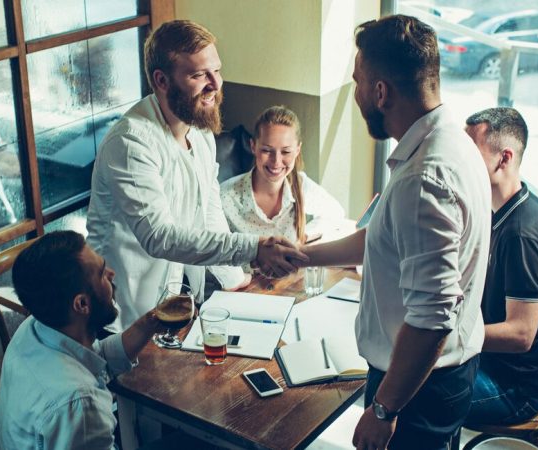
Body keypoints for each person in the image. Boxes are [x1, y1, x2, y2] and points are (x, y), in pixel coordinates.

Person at [296, 15, 491, 449]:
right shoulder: (453, 142)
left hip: (416, 388)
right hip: (441, 374)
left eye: (358, 83)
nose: (356, 94)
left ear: (381, 92)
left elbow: (432, 318)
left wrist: (384, 409)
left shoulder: (424, 179)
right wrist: (303, 255)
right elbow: (384, 238)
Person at [86, 20, 307, 331]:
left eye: (217, 70)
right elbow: (159, 237)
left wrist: (233, 278)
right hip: (119, 311)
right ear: (162, 81)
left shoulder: (200, 133)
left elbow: (208, 212)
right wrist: (254, 248)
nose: (216, 84)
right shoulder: (130, 143)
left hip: (171, 303)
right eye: (199, 75)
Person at [0, 231, 162, 450]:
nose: (111, 274)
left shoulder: (33, 328)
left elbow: (93, 360)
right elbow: (78, 387)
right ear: (82, 304)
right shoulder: (79, 405)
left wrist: (149, 323)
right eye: (102, 273)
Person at [463, 107, 538, 426]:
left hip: (517, 389)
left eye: (471, 153)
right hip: (496, 365)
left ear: (504, 159)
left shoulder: (522, 234)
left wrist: (454, 335)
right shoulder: (505, 204)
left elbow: (521, 334)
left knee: (421, 395)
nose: (460, 161)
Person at [220, 106, 345, 256]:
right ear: (253, 146)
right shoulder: (225, 197)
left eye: (286, 151)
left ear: (297, 150)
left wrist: (304, 237)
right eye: (267, 150)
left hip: (294, 271)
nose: (276, 162)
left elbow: (335, 212)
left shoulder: (301, 185)